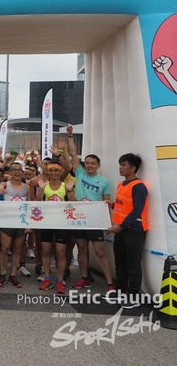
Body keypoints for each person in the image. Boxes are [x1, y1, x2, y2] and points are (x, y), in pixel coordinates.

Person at [65, 125, 115, 292]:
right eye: (87, 163)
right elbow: (73, 154)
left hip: (95, 220)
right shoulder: (79, 173)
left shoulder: (104, 181)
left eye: (93, 163)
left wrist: (107, 223)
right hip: (79, 218)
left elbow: (106, 203)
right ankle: (84, 278)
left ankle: (110, 283)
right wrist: (70, 136)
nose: (89, 166)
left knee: (100, 252)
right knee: (82, 249)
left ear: (98, 165)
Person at [107, 153, 149, 309]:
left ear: (133, 168)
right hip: (122, 228)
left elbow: (137, 210)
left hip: (134, 229)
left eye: (123, 165)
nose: (120, 168)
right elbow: (123, 207)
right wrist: (112, 205)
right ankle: (120, 291)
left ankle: (133, 297)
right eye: (120, 165)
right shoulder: (121, 184)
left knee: (133, 264)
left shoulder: (139, 186)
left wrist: (121, 226)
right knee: (120, 262)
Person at [37, 157, 76, 294]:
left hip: (61, 222)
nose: (53, 172)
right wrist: (41, 190)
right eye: (51, 170)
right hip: (46, 222)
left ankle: (60, 280)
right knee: (45, 251)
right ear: (48, 171)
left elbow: (74, 204)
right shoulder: (44, 185)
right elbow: (37, 203)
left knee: (60, 252)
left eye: (56, 170)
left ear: (60, 172)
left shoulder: (66, 185)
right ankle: (47, 278)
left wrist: (69, 191)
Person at [0, 160, 32, 288]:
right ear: (10, 172)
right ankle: (2, 273)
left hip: (21, 222)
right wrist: (1, 187)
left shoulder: (27, 188)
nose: (17, 172)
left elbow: (30, 206)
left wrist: (29, 225)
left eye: (19, 170)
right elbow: (0, 186)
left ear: (23, 172)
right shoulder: (5, 184)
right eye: (14, 170)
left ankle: (12, 275)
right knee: (4, 248)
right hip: (7, 221)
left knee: (17, 249)